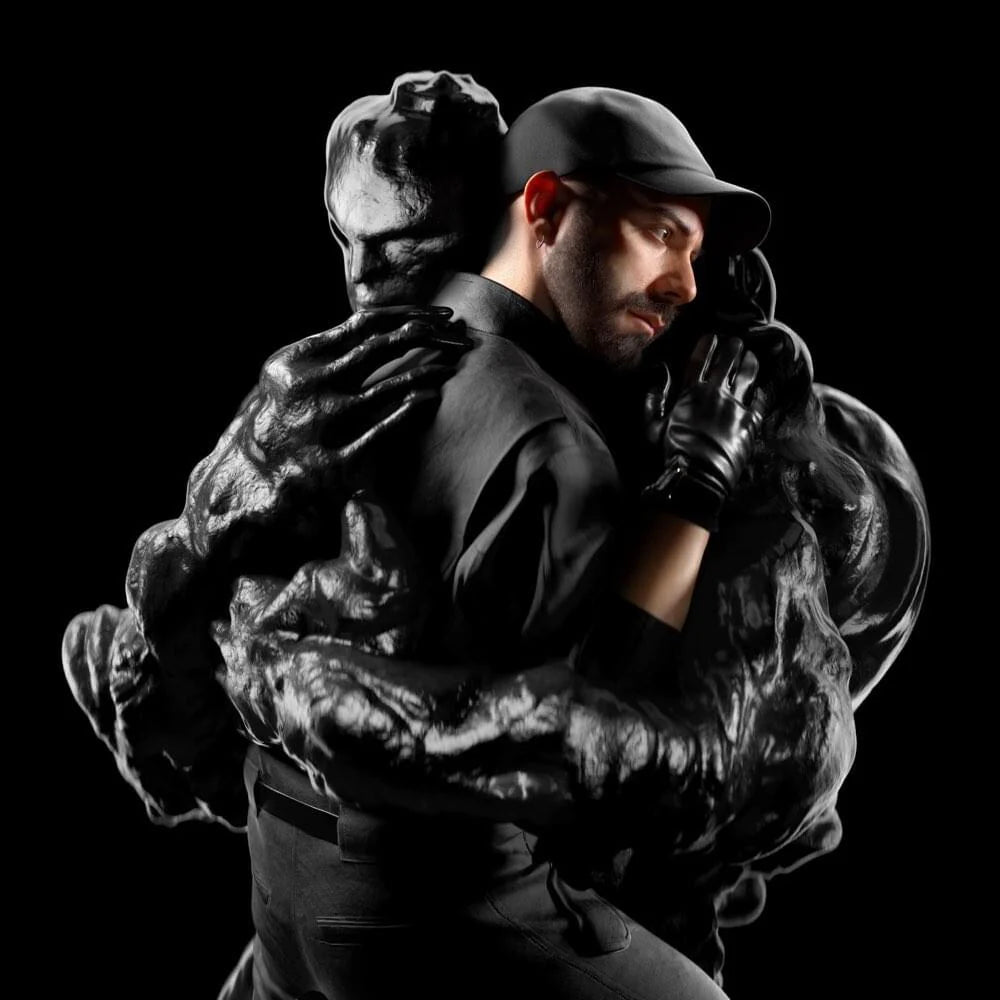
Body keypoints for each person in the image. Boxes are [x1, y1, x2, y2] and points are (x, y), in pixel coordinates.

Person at [64, 78, 929, 999]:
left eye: (693, 252)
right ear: (545, 209)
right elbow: (601, 728)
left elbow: (188, 598)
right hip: (427, 903)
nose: (682, 283)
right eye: (660, 233)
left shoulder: (343, 362)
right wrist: (699, 484)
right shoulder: (559, 456)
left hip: (282, 871)